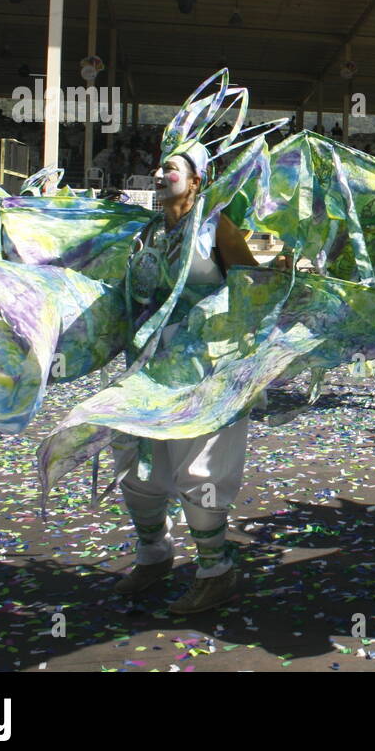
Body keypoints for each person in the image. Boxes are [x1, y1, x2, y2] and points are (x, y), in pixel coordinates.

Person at [113, 142, 264, 613]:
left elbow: (257, 279)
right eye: (158, 165)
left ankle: (216, 572)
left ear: (196, 180)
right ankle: (153, 555)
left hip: (206, 371)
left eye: (171, 168)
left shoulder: (217, 227)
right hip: (149, 369)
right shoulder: (147, 233)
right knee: (136, 462)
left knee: (199, 470)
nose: (159, 173)